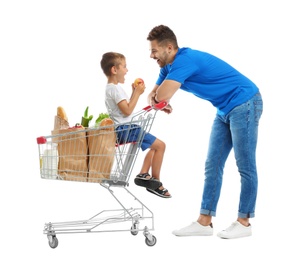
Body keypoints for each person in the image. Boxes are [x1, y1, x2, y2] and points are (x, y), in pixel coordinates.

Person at [146, 25, 263, 238]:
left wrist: (161, 98)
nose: (151, 55)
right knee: (213, 164)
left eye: (154, 51)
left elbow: (160, 97)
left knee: (245, 165)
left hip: (245, 102)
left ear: (169, 48)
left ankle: (244, 222)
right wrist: (159, 98)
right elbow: (152, 96)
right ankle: (204, 222)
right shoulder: (168, 67)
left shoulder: (184, 60)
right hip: (224, 109)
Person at [100, 52, 171, 198]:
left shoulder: (111, 89)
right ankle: (156, 183)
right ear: (114, 70)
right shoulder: (115, 88)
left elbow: (124, 109)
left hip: (124, 129)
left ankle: (144, 174)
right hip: (126, 129)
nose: (127, 70)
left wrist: (134, 92)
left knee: (155, 147)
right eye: (124, 67)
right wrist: (138, 93)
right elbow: (127, 111)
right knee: (161, 146)